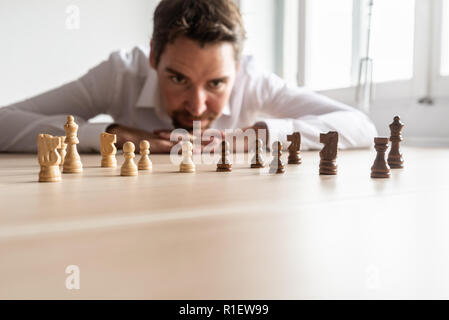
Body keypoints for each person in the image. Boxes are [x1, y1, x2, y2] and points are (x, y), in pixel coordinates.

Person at [0, 0, 377, 154]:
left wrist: (257, 137)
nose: (197, 107)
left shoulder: (254, 79)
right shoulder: (120, 73)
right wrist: (108, 135)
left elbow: (360, 125)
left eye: (216, 84)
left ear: (238, 68)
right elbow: (3, 123)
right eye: (178, 79)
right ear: (152, 56)